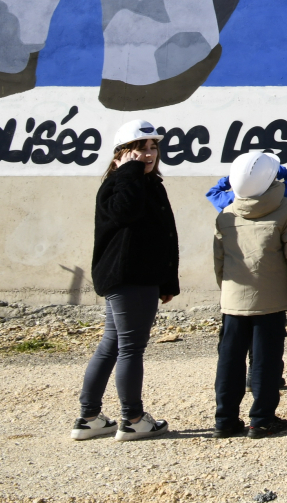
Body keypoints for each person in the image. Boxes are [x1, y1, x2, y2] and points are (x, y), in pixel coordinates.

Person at [72, 120, 179, 442]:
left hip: (140, 277)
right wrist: (129, 171)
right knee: (130, 348)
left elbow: (163, 235)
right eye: (139, 148)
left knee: (112, 345)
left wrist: (167, 281)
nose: (148, 154)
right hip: (130, 277)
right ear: (121, 153)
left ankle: (89, 418)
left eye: (153, 147)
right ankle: (132, 418)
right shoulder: (120, 183)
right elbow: (125, 213)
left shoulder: (147, 183)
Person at [212, 151, 287, 439]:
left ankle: (225, 420)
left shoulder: (226, 213)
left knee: (229, 360)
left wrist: (227, 292)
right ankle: (262, 420)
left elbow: (219, 261)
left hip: (233, 301)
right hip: (271, 299)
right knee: (266, 360)